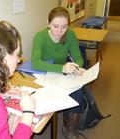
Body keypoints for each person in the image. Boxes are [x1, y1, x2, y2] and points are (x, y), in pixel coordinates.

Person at [31, 7, 85, 139]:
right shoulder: (40, 36)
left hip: (62, 72)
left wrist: (77, 67)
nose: (59, 32)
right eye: (55, 26)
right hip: (44, 73)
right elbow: (36, 63)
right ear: (48, 23)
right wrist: (62, 68)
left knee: (78, 89)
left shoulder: (70, 35)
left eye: (64, 27)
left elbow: (78, 57)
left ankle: (69, 127)